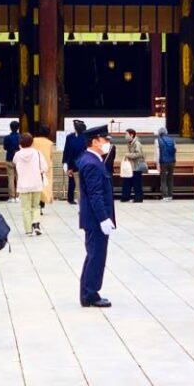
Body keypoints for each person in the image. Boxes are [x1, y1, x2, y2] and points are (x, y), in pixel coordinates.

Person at [78, 125, 116, 308]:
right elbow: (95, 194)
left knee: (94, 255)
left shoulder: (92, 160)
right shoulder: (92, 163)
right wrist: (103, 218)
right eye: (105, 140)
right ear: (95, 142)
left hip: (93, 219)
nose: (107, 143)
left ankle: (89, 291)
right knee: (96, 256)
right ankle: (90, 293)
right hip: (95, 220)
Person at [13, 132, 48, 236]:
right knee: (36, 206)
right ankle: (36, 224)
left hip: (23, 185)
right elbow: (44, 167)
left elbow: (15, 163)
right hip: (36, 183)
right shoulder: (37, 153)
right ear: (32, 142)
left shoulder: (17, 154)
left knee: (25, 208)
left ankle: (28, 229)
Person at [33, 124, 56, 212]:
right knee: (44, 185)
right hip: (46, 166)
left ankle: (36, 202)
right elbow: (51, 155)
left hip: (35, 165)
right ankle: (42, 204)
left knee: (36, 185)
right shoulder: (50, 143)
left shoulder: (34, 140)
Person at [62, 120, 86, 204]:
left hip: (82, 162)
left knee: (82, 182)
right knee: (71, 181)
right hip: (71, 161)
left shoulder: (85, 137)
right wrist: (65, 162)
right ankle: (70, 198)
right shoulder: (70, 137)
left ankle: (82, 198)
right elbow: (66, 150)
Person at [122, 128, 146, 203]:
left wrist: (128, 155)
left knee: (137, 183)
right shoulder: (130, 143)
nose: (125, 136)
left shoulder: (137, 143)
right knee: (128, 182)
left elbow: (139, 154)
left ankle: (139, 198)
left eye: (126, 134)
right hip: (131, 166)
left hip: (137, 166)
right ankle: (126, 197)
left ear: (131, 135)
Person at [156, 127, 176, 201]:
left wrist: (157, 163)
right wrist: (174, 161)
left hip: (163, 162)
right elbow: (174, 150)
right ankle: (170, 195)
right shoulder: (172, 140)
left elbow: (158, 153)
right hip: (172, 161)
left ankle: (165, 196)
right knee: (170, 179)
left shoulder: (158, 140)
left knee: (163, 179)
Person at [3, 121, 21, 203]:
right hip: (19, 159)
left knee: (10, 178)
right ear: (18, 128)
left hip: (9, 158)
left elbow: (5, 147)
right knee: (19, 177)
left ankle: (11, 197)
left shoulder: (7, 138)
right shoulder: (21, 137)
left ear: (10, 127)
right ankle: (18, 196)